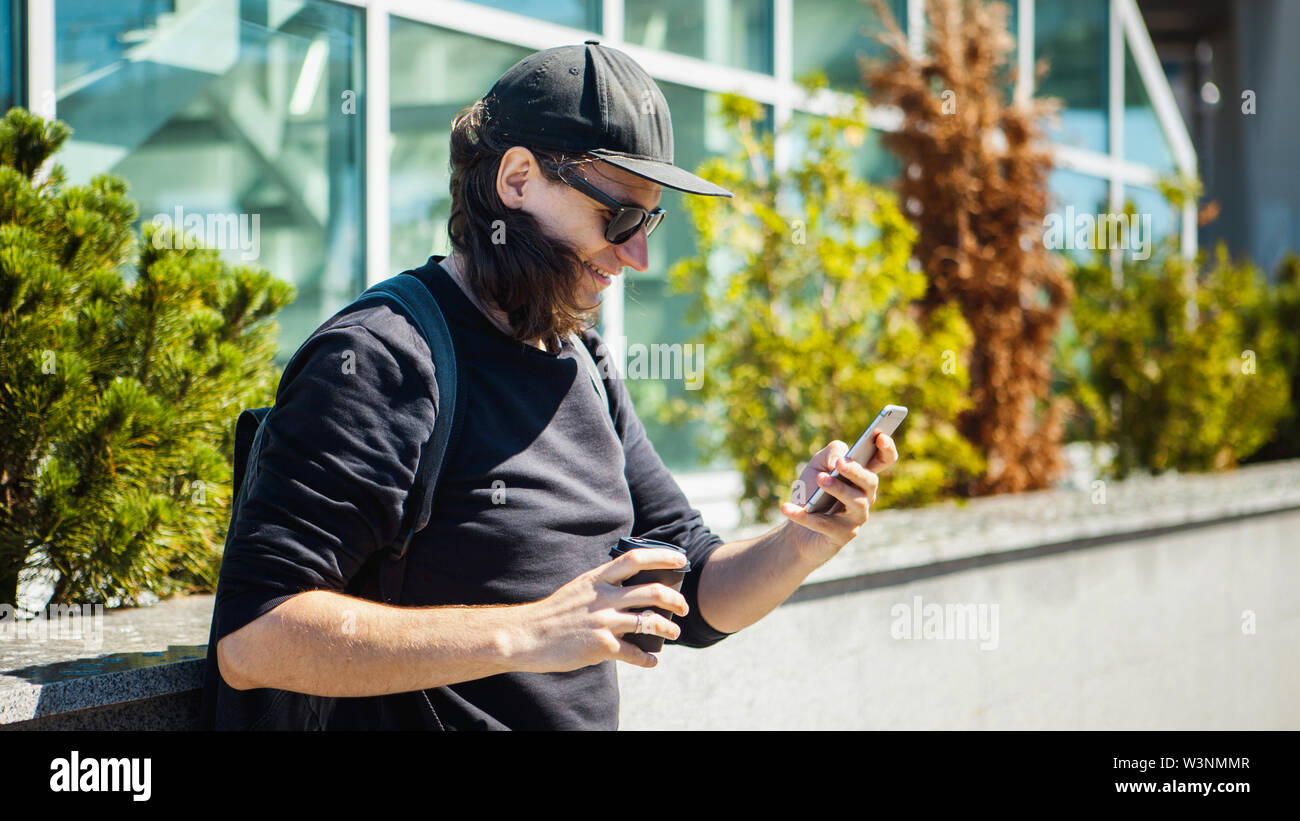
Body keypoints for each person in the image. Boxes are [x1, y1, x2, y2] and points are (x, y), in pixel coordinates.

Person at [201, 40, 897, 730]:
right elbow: (256, 638)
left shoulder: (583, 364)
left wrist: (802, 542)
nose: (638, 255)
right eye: (620, 217)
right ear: (517, 180)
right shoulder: (381, 359)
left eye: (650, 220)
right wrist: (530, 632)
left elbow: (699, 590)